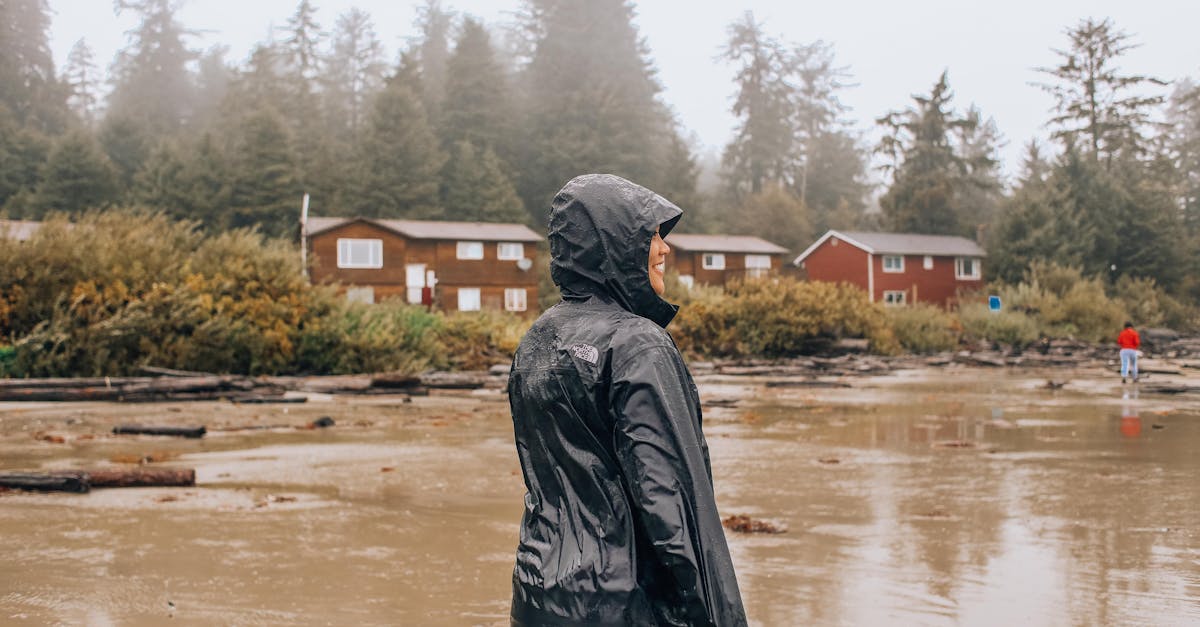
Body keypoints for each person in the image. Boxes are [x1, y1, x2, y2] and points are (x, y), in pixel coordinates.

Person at [507, 174, 747, 627]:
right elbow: (674, 508)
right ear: (614, 244)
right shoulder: (638, 345)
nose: (664, 248)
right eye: (653, 234)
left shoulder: (536, 339)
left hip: (537, 596)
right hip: (623, 608)